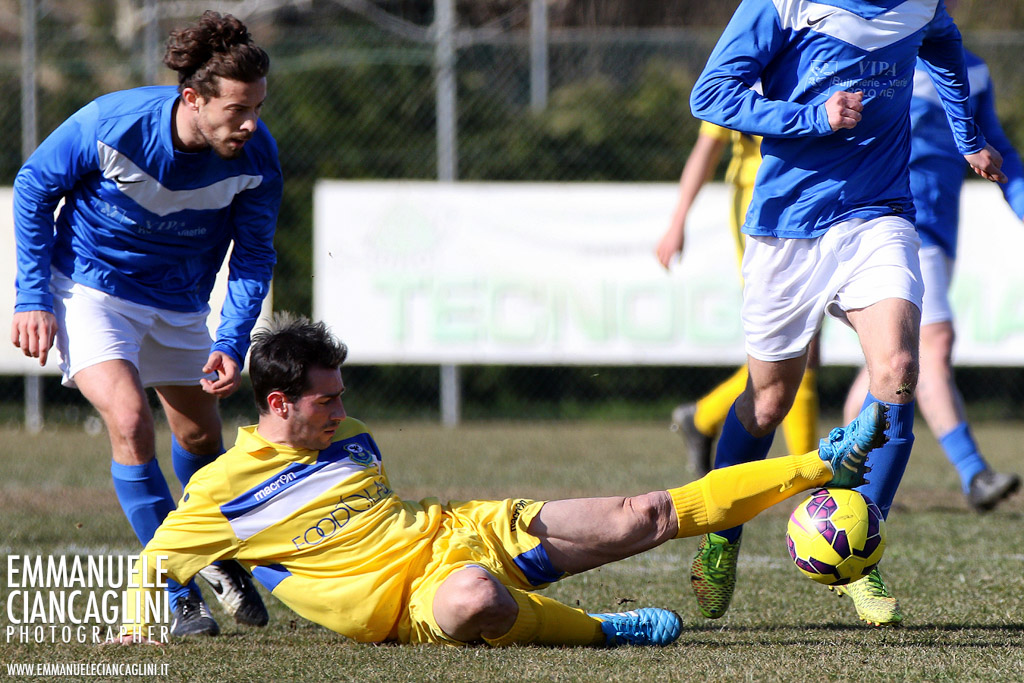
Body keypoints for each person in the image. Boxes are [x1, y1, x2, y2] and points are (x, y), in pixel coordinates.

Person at [116, 313, 890, 647]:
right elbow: (158, 557)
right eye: (329, 398)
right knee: (474, 601)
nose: (344, 408)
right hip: (411, 603)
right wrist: (139, 624)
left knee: (647, 511)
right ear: (278, 402)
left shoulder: (351, 438)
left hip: (464, 528)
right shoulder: (221, 490)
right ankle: (599, 630)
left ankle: (825, 459)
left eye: (343, 394)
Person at [685, 0, 1006, 628]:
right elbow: (710, 95)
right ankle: (721, 537)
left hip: (878, 213)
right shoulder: (782, 4)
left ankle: (858, 553)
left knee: (900, 369)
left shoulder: (919, 4)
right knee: (769, 401)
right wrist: (811, 117)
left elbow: (943, 44)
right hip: (786, 225)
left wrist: (969, 139)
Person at [10, 11, 281, 637]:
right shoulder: (114, 122)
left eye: (258, 108)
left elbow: (256, 254)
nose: (250, 123)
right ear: (192, 97)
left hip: (179, 300)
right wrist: (32, 296)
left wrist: (231, 339)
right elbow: (32, 185)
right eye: (237, 109)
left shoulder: (257, 156)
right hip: (89, 289)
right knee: (130, 422)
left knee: (200, 442)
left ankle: (210, 549)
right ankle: (172, 586)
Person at [844, 30, 1022, 513]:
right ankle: (974, 473)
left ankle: (848, 472)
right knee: (932, 344)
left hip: (941, 231)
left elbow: (996, 146)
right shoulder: (877, 55)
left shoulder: (975, 69)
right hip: (895, 222)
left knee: (887, 359)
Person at [656, 122, 820, 476]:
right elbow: (707, 146)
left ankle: (703, 417)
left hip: (813, 196)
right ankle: (813, 477)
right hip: (760, 205)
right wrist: (677, 219)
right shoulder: (745, 67)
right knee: (795, 343)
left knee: (800, 350)